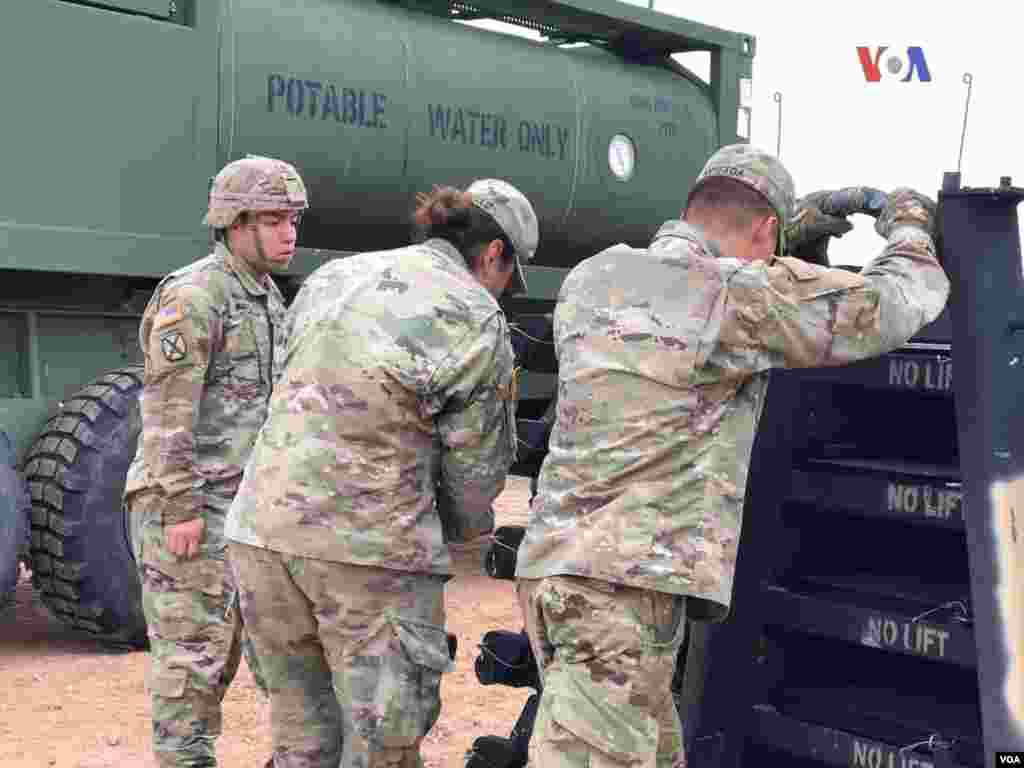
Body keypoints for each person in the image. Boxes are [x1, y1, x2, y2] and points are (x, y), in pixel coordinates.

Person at [514, 143, 950, 768]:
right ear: (768, 231)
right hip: (623, 597)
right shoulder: (735, 295)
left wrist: (783, 237)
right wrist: (907, 226)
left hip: (559, 574)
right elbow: (891, 306)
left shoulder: (593, 278)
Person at [225, 179, 539, 768]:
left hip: (260, 536)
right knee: (382, 747)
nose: (504, 292)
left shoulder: (335, 277)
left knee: (300, 743)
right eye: (507, 276)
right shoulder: (475, 316)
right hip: (369, 555)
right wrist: (463, 528)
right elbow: (475, 475)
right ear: (494, 254)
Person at [124, 155, 308, 768]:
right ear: (235, 222)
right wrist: (180, 509)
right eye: (276, 219)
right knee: (192, 670)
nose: (290, 234)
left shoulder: (263, 296)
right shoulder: (196, 295)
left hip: (240, 513)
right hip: (190, 512)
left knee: (250, 656)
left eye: (294, 220)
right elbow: (167, 411)